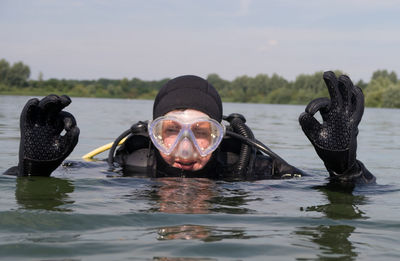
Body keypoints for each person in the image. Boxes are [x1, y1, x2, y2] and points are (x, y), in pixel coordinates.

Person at [4, 71, 376, 185]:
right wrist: (32, 172)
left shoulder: (249, 171)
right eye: (170, 131)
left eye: (200, 132)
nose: (185, 149)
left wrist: (345, 169)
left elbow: (371, 193)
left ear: (220, 136)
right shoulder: (129, 166)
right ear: (152, 133)